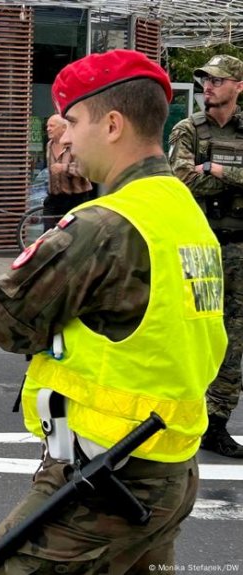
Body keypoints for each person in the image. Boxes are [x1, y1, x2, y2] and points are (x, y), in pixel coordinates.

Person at [0, 50, 226, 571]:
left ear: (112, 124)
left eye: (72, 121)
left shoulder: (104, 224)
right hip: (169, 468)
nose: (63, 137)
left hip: (105, 476)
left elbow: (1, 316)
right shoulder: (183, 207)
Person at [169, 54, 243, 459]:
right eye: (204, 80)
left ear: (237, 87)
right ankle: (182, 412)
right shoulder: (188, 129)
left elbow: (198, 176)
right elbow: (180, 179)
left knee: (235, 338)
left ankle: (216, 424)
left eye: (217, 80)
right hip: (200, 248)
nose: (208, 86)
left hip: (239, 250)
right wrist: (231, 183)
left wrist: (215, 169)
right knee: (190, 332)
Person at [43, 113, 94, 227]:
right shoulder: (49, 145)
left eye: (52, 126)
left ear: (64, 128)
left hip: (75, 198)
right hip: (54, 198)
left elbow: (86, 169)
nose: (48, 129)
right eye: (47, 126)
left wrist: (64, 167)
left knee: (72, 234)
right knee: (48, 233)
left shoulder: (76, 145)